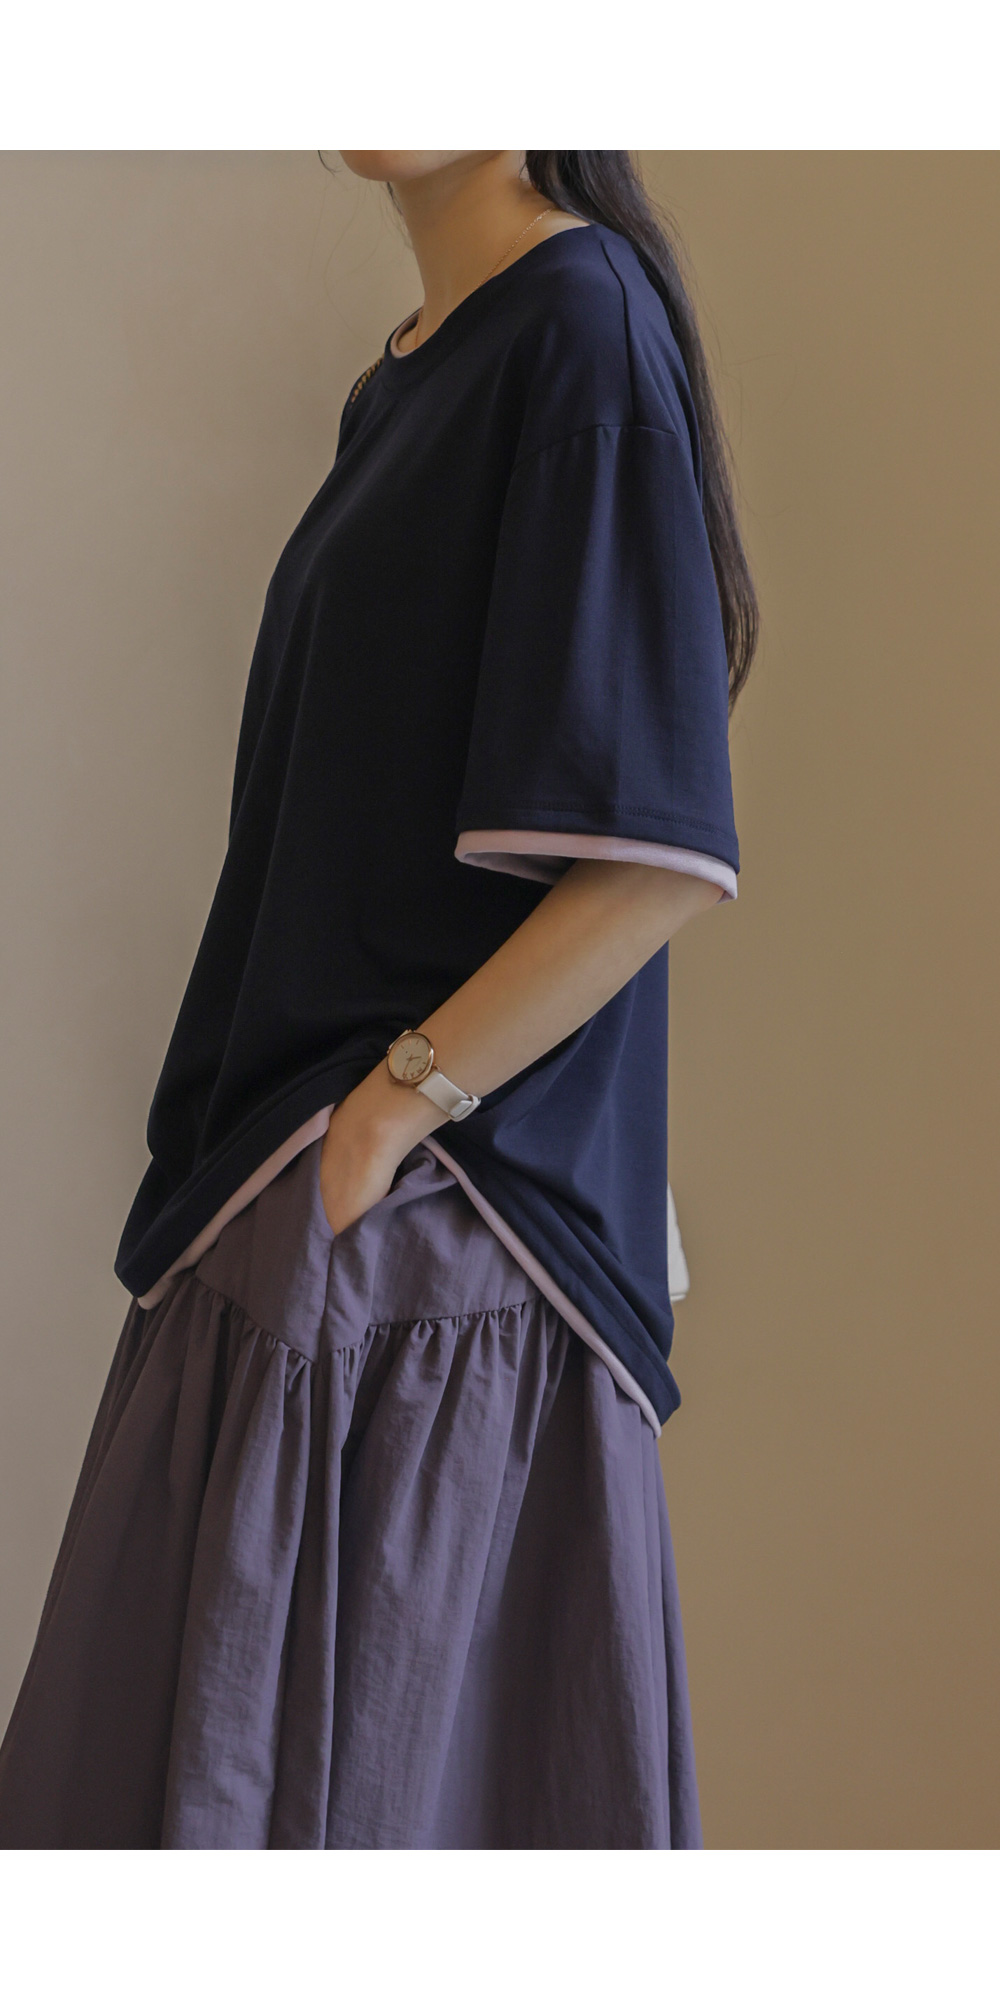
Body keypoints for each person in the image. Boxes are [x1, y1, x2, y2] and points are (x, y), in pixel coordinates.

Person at [0, 150, 757, 1849]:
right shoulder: (413, 370)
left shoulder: (580, 322)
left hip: (420, 1268)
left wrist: (391, 1117)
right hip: (288, 1231)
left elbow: (653, 859)